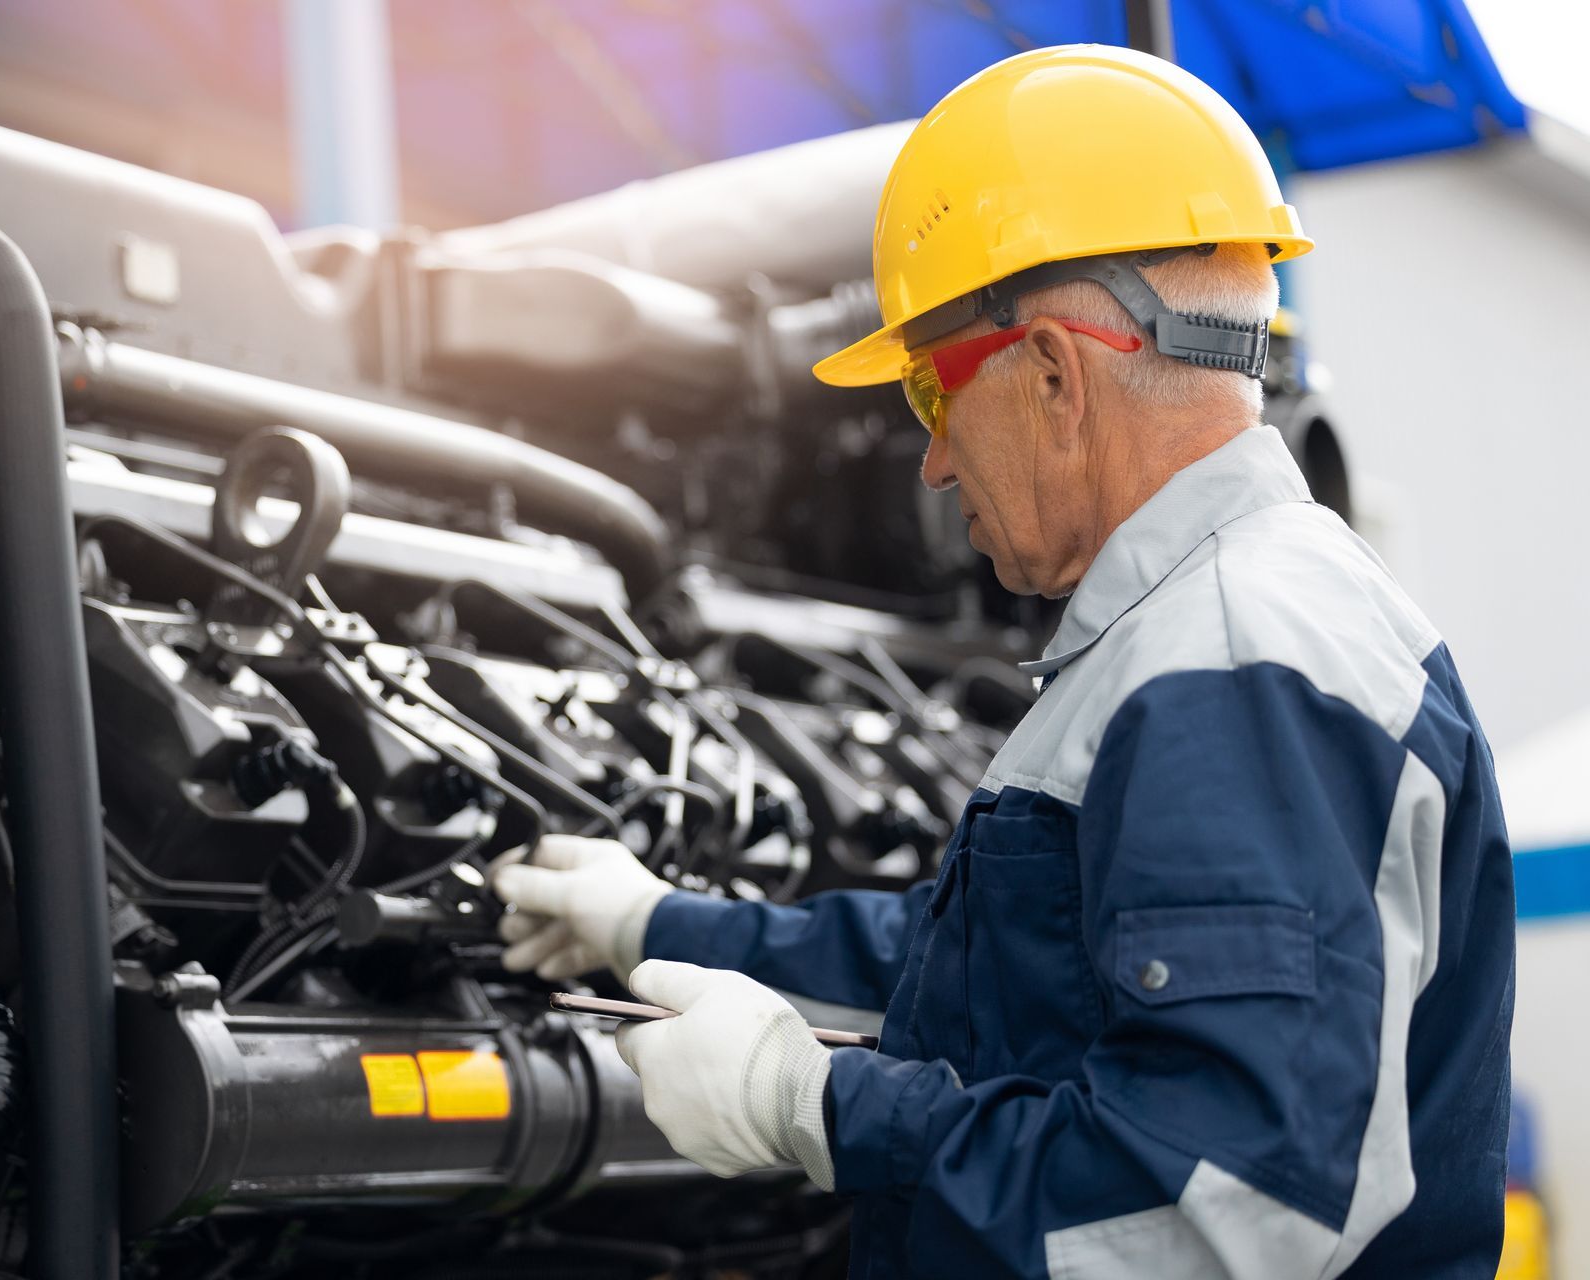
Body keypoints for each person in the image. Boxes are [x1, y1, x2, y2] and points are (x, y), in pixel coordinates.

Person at [492, 44, 1514, 1279]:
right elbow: (987, 979)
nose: (929, 461)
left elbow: (1210, 1209)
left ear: (1051, 373)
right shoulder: (1204, 633)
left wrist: (813, 1106)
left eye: (930, 392)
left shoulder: (1236, 661)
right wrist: (657, 921)